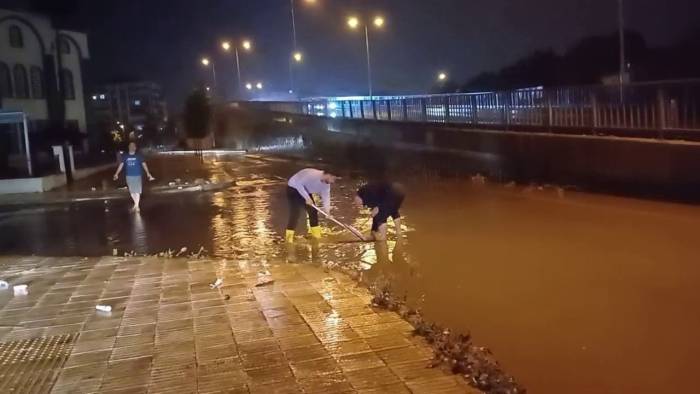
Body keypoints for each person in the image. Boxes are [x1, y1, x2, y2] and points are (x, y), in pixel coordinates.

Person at [286, 168, 338, 243]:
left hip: (305, 190)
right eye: (333, 179)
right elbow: (298, 184)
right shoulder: (313, 175)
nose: (333, 182)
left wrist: (327, 212)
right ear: (328, 175)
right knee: (295, 213)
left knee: (313, 211)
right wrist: (307, 198)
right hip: (293, 188)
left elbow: (326, 197)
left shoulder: (326, 185)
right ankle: (288, 239)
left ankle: (316, 237)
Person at [113, 142, 155, 212]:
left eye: (133, 146)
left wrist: (148, 173)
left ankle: (137, 206)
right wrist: (116, 173)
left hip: (137, 175)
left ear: (135, 148)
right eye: (130, 146)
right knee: (132, 192)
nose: (132, 147)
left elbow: (144, 164)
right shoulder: (125, 156)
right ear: (129, 147)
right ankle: (136, 205)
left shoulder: (138, 156)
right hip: (129, 176)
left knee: (137, 191)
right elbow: (121, 165)